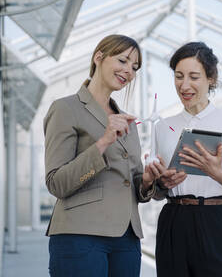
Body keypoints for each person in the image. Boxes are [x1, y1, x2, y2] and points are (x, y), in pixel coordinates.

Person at [43, 34, 168, 277]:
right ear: (98, 57)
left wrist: (148, 179)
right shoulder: (65, 108)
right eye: (122, 61)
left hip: (126, 239)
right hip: (80, 236)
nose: (128, 71)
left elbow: (131, 183)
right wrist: (103, 142)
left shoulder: (127, 121)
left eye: (134, 67)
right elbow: (56, 183)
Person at [154, 42, 222, 277]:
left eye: (193, 77)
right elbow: (156, 194)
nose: (184, 85)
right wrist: (161, 183)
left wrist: (216, 172)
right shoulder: (163, 127)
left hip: (216, 221)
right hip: (173, 221)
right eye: (178, 76)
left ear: (211, 78)